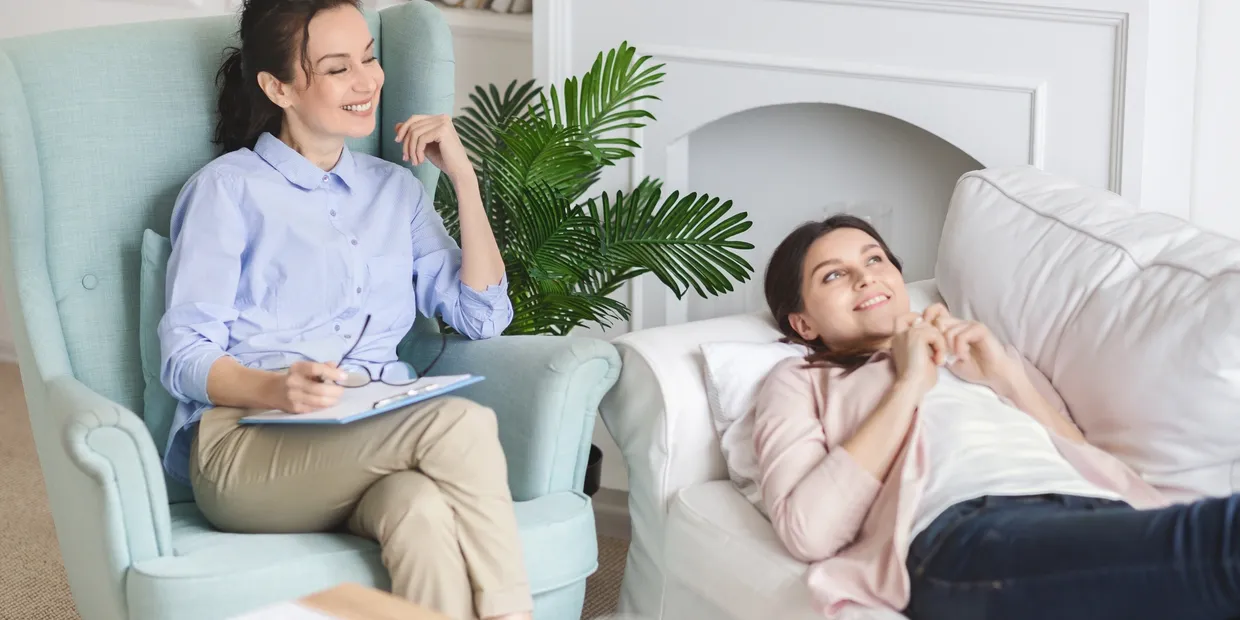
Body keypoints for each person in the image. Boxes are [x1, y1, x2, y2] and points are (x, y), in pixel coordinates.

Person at [156, 1, 532, 618]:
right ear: (278, 87)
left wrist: (464, 177)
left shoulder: (396, 191)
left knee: (420, 508)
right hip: (245, 448)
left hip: (363, 435)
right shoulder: (227, 190)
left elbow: (482, 316)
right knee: (458, 424)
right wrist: (275, 389)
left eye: (369, 56)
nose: (367, 81)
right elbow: (184, 354)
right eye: (337, 69)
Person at [754, 214, 1240, 620]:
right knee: (1219, 541)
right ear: (804, 323)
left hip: (1094, 510)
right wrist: (907, 386)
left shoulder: (980, 350)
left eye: (874, 259)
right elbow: (808, 529)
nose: (865, 277)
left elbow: (1086, 458)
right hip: (968, 533)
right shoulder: (802, 380)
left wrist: (1005, 378)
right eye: (833, 275)